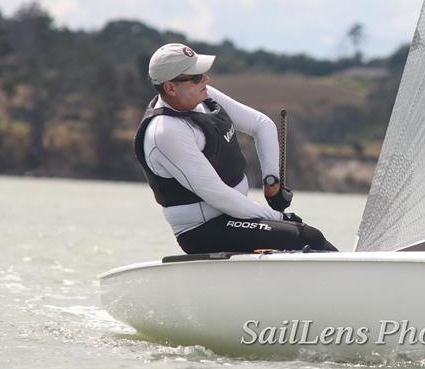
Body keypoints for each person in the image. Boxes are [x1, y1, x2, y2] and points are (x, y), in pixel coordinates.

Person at [133, 43, 337, 254]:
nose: (206, 79)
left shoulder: (204, 97)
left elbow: (262, 125)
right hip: (202, 230)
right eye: (196, 77)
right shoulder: (167, 133)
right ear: (170, 88)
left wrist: (272, 183)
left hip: (233, 215)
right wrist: (278, 217)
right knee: (307, 236)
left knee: (303, 234)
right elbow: (218, 195)